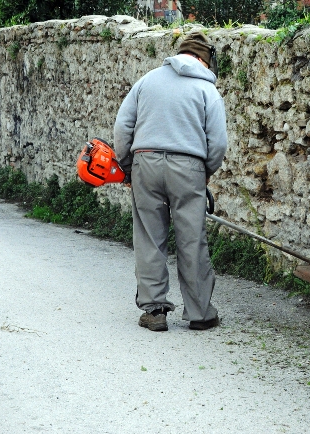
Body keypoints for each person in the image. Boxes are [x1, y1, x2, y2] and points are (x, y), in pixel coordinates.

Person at [113, 32, 228, 332]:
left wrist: (127, 167)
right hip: (188, 165)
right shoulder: (207, 90)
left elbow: (122, 127)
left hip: (145, 161)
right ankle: (200, 313)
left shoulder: (147, 81)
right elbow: (217, 144)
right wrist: (205, 173)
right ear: (204, 60)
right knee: (192, 239)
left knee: (150, 236)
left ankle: (154, 310)